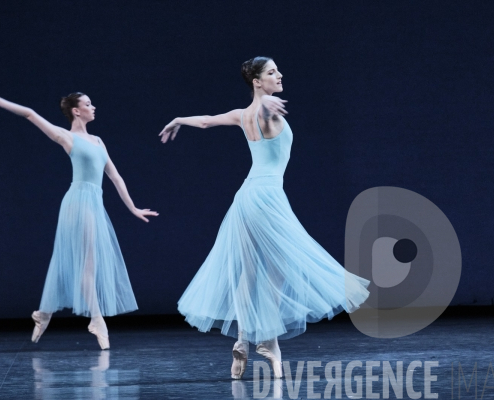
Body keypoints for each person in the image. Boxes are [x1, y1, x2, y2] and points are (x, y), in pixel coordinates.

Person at [158, 57, 370, 379]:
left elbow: (205, 122)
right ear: (257, 81)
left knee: (249, 274)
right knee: (278, 271)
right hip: (267, 196)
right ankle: (267, 344)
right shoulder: (264, 108)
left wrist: (177, 119)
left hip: (245, 196)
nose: (280, 74)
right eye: (272, 72)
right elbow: (267, 109)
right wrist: (269, 105)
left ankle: (245, 341)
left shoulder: (242, 114)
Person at [0, 85, 158, 349]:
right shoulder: (66, 137)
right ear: (77, 111)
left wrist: (133, 208)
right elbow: (30, 114)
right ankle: (96, 319)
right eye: (88, 103)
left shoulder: (98, 141)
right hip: (79, 201)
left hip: (95, 202)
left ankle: (44, 313)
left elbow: (115, 177)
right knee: (86, 264)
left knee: (89, 264)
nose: (93, 107)